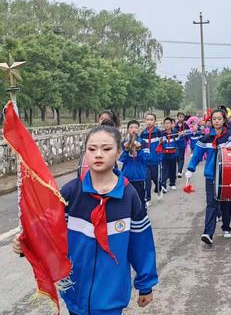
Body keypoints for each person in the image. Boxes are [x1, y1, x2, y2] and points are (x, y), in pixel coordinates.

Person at [13, 125, 158, 314]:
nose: (98, 154)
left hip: (111, 297)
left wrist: (145, 284)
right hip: (75, 293)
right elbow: (50, 233)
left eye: (106, 149)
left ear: (118, 153)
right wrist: (26, 244)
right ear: (85, 153)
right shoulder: (70, 193)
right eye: (92, 149)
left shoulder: (129, 195)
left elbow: (142, 244)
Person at [185, 109, 231, 245]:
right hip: (211, 175)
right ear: (211, 121)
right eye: (214, 119)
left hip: (227, 174)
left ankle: (226, 227)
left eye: (219, 119)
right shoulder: (206, 138)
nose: (216, 121)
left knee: (226, 202)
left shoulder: (230, 135)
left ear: (224, 120)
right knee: (211, 204)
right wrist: (190, 169)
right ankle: (208, 233)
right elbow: (197, 154)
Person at [119, 119, 150, 209]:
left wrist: (139, 149)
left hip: (140, 177)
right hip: (126, 178)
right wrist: (126, 149)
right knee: (127, 201)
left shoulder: (143, 143)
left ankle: (141, 219)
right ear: (128, 129)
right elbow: (121, 161)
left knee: (140, 201)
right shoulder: (123, 144)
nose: (133, 130)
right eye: (131, 127)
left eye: (136, 127)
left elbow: (146, 159)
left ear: (139, 129)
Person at [138, 113, 162, 205]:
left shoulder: (158, 132)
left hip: (156, 161)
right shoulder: (142, 134)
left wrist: (160, 156)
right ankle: (148, 198)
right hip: (146, 162)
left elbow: (162, 145)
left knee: (156, 179)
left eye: (151, 120)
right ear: (145, 121)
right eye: (147, 119)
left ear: (155, 121)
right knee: (147, 180)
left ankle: (159, 189)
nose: (149, 121)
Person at [157, 117, 181, 192]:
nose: (167, 125)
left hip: (173, 154)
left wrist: (180, 136)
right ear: (163, 125)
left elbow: (179, 142)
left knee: (173, 169)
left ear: (171, 124)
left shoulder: (175, 132)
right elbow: (158, 143)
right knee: (164, 170)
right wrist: (160, 142)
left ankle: (172, 183)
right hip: (164, 154)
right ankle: (163, 185)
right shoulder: (161, 133)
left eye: (168, 123)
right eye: (165, 123)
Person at [175, 112, 191, 178]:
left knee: (181, 157)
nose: (181, 118)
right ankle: (178, 169)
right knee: (177, 157)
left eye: (182, 117)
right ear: (177, 117)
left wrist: (185, 134)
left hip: (182, 143)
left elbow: (189, 134)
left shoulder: (186, 125)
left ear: (184, 118)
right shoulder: (175, 126)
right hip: (175, 144)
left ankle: (179, 171)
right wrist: (177, 134)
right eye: (179, 117)